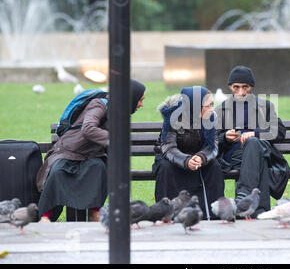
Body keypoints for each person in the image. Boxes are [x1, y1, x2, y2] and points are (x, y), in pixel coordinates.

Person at [37, 79, 146, 222]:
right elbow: (88, 128)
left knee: (99, 168)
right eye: (140, 100)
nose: (141, 104)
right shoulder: (99, 105)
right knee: (58, 172)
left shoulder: (120, 111)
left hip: (92, 154)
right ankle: (46, 216)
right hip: (69, 151)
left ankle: (95, 213)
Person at [214, 65, 290, 216]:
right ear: (230, 87)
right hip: (234, 158)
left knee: (253, 144)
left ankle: (243, 196)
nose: (241, 92)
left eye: (245, 87)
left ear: (252, 87)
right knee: (258, 158)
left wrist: (255, 133)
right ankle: (259, 211)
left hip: (260, 151)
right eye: (236, 87)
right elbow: (212, 139)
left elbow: (279, 132)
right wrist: (226, 137)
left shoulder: (264, 106)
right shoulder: (221, 110)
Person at [153, 86, 225, 220]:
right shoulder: (173, 117)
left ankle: (212, 214)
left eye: (212, 105)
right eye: (207, 106)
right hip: (172, 159)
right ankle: (167, 214)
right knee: (165, 168)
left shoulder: (211, 118)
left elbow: (212, 146)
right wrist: (187, 161)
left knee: (214, 167)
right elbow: (168, 147)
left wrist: (201, 157)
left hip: (197, 158)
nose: (211, 109)